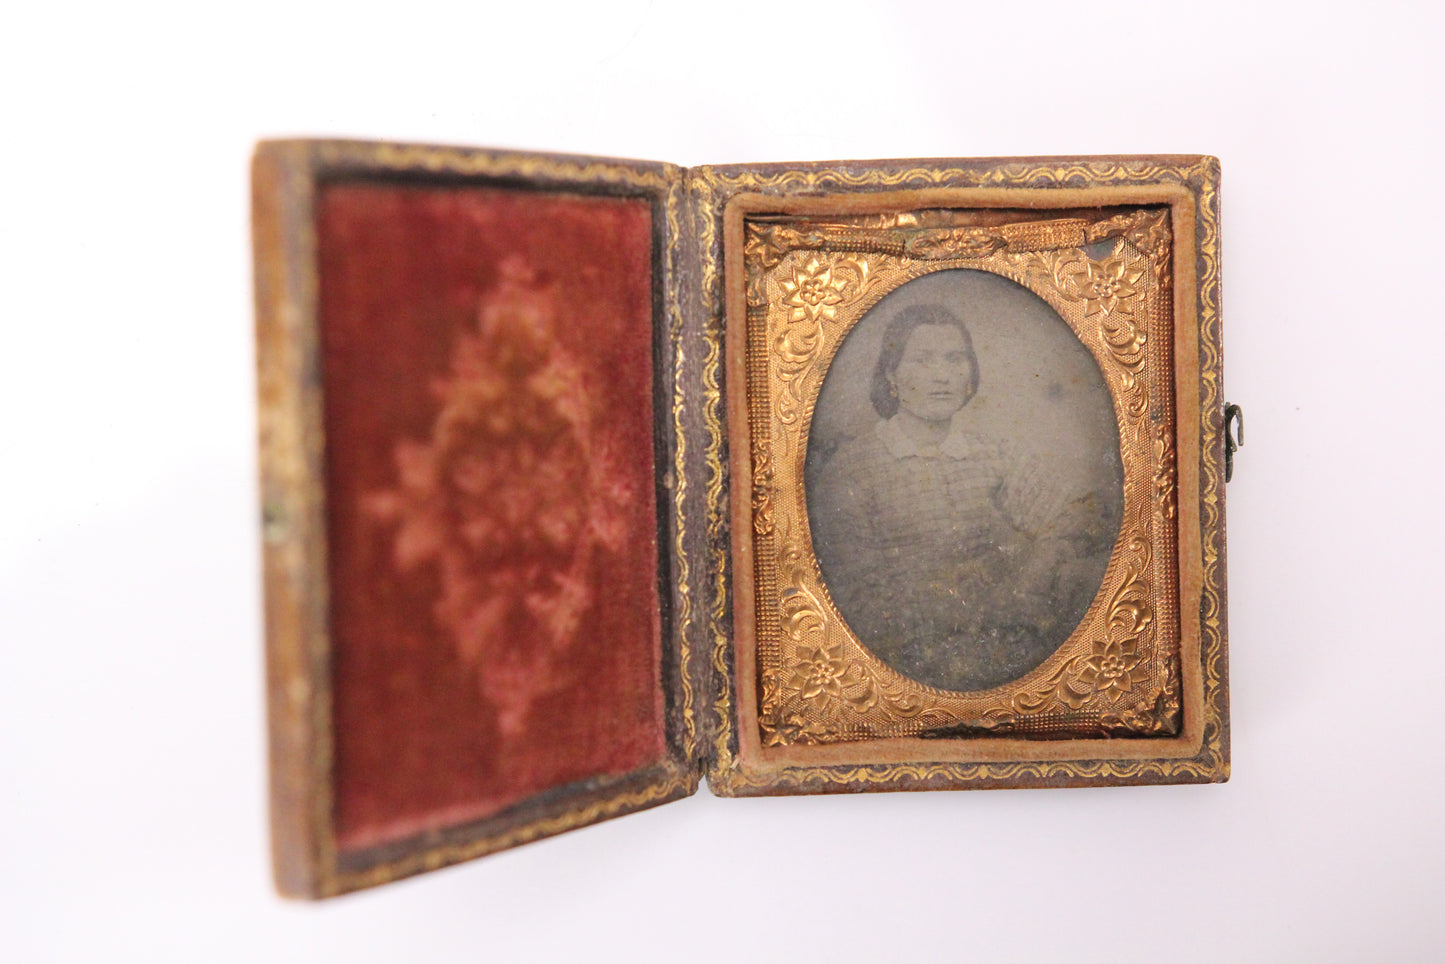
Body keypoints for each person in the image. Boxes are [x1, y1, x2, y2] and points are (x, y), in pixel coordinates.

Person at [806, 304, 1112, 692]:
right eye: (922, 360)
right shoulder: (852, 470)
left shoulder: (989, 452)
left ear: (970, 377)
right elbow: (861, 604)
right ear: (891, 375)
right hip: (901, 665)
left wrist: (1034, 574)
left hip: (1005, 653)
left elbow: (1077, 513)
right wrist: (996, 607)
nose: (941, 376)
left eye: (955, 359)